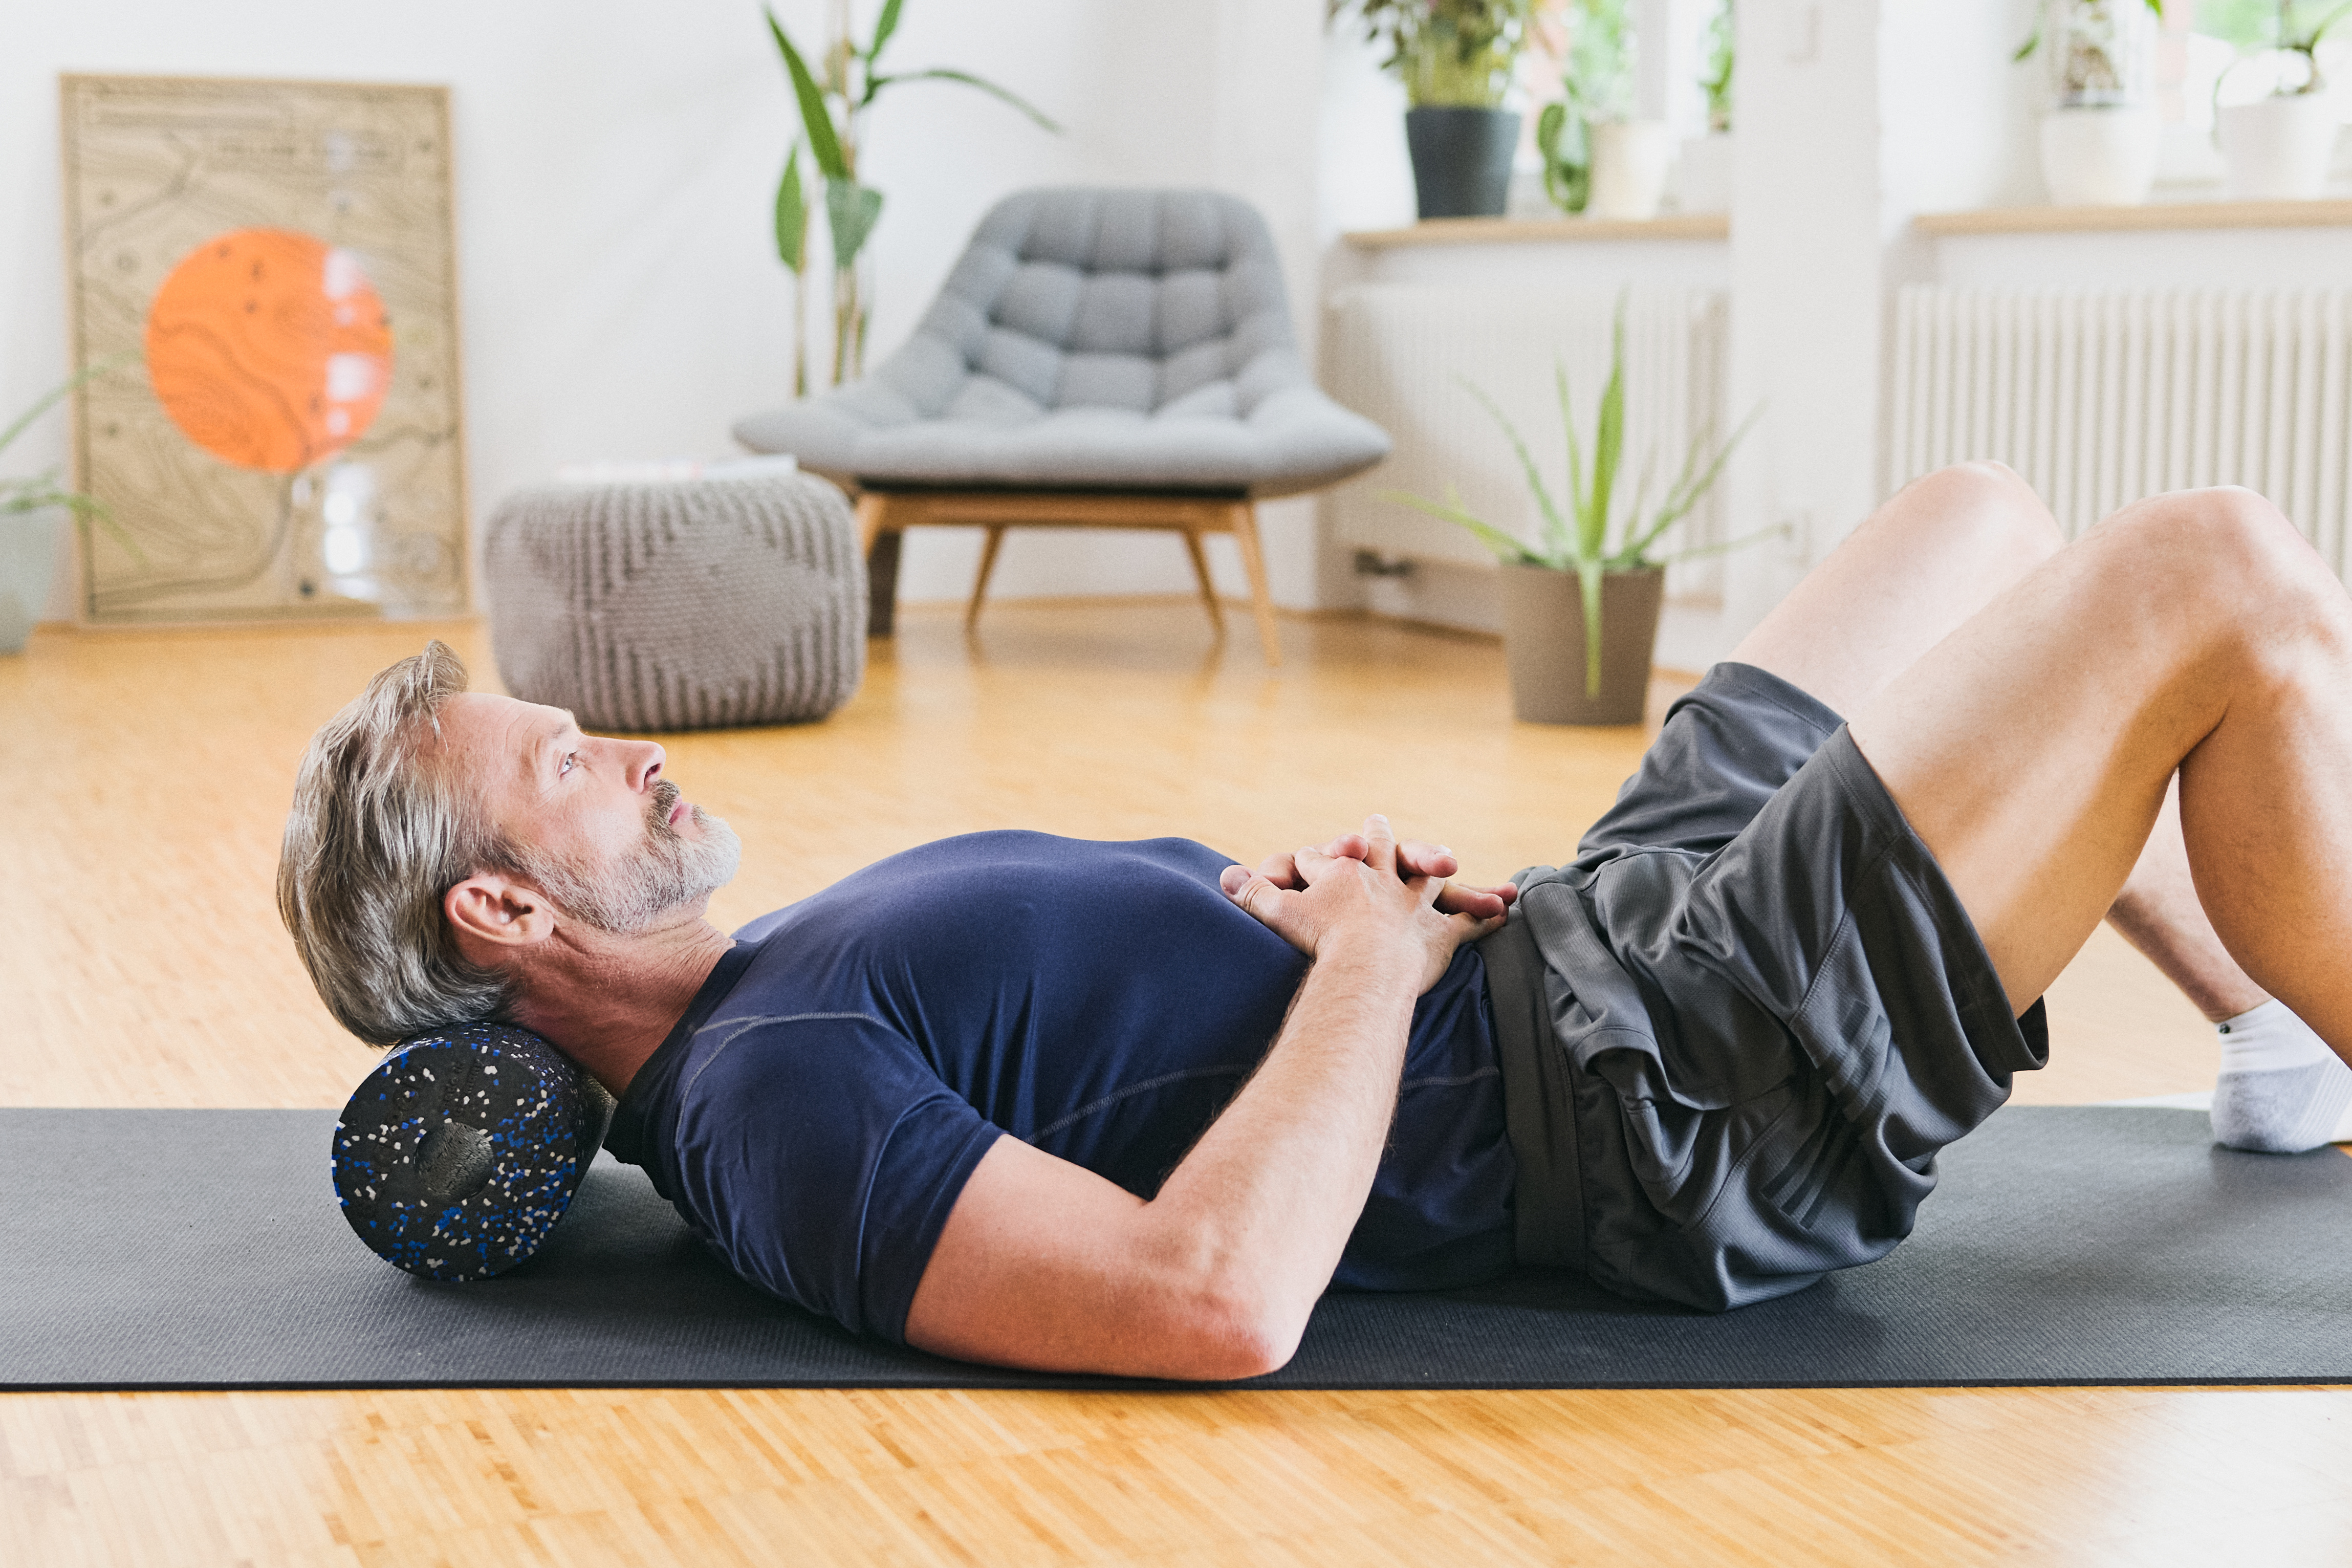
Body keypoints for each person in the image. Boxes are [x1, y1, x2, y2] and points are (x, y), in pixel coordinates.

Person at [278, 463, 2352, 1380]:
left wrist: (1270, 901)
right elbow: (1207, 1301)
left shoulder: (765, 979)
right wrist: (1369, 950)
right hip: (1660, 1092)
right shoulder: (767, 1108)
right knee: (2216, 574)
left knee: (1980, 522)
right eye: (562, 758)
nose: (625, 750)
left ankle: (2263, 1020)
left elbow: (1126, 1026)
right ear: (499, 903)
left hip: (1583, 931)